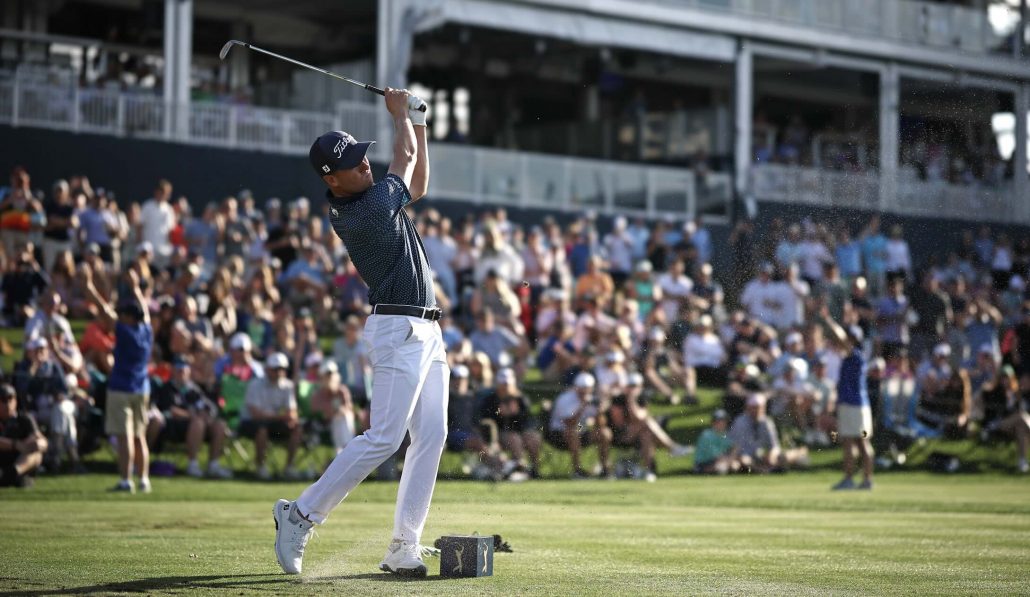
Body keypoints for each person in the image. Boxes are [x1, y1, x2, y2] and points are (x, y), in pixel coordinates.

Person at [274, 88, 447, 579]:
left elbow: (419, 181)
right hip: (398, 327)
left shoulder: (373, 197)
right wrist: (400, 117)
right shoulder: (366, 212)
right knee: (384, 437)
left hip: (427, 330)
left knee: (430, 436)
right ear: (332, 178)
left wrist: (419, 120)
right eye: (352, 163)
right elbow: (406, 157)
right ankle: (301, 514)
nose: (364, 165)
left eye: (362, 156)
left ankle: (402, 546)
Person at [83, 265, 153, 494]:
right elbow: (145, 312)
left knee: (125, 437)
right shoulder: (146, 331)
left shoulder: (125, 331)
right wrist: (135, 288)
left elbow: (104, 310)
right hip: (141, 389)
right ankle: (144, 479)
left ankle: (126, 480)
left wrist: (89, 286)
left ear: (127, 318)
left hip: (122, 388)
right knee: (140, 436)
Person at [149, 359, 232, 479]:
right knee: (197, 422)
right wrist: (192, 415)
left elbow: (209, 407)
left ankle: (213, 465)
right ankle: (192, 464)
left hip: (198, 426)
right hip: (173, 427)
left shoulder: (194, 389)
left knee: (220, 424)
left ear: (189, 372)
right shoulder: (167, 388)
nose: (181, 373)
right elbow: (171, 410)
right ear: (173, 371)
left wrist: (207, 415)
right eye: (179, 371)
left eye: (184, 371)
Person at [241, 352, 303, 480]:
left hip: (272, 422)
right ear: (267, 369)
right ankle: (260, 467)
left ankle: (289, 467)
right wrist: (281, 417)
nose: (279, 372)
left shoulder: (288, 386)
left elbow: (291, 412)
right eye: (276, 369)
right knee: (262, 429)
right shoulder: (255, 385)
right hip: (250, 422)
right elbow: (255, 414)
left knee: (296, 428)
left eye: (282, 369)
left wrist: (288, 418)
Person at [547, 372, 612, 478]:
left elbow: (601, 424)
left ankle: (605, 469)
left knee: (605, 433)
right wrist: (582, 406)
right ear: (576, 387)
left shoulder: (594, 400)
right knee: (572, 432)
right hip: (559, 435)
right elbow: (569, 423)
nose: (584, 391)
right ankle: (577, 470)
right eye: (582, 388)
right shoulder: (565, 399)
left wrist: (600, 412)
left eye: (587, 388)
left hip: (581, 433)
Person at [832, 327, 874, 491]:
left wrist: (828, 320)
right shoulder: (857, 357)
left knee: (850, 442)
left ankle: (850, 479)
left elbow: (841, 339)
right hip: (860, 406)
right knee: (862, 442)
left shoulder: (855, 355)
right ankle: (867, 480)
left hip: (852, 405)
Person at [0, 384, 48, 488]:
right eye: (3, 400)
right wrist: (16, 445)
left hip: (19, 464)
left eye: (10, 399)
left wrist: (38, 444)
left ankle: (11, 474)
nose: (8, 404)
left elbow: (41, 439)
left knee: (36, 454)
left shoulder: (24, 419)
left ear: (15, 401)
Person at [694, 409, 740, 474]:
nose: (721, 423)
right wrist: (729, 461)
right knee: (722, 467)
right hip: (704, 463)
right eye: (718, 421)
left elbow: (735, 447)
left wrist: (730, 459)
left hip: (719, 460)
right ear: (713, 422)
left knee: (734, 465)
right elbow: (716, 455)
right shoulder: (706, 435)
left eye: (723, 421)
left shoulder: (726, 434)